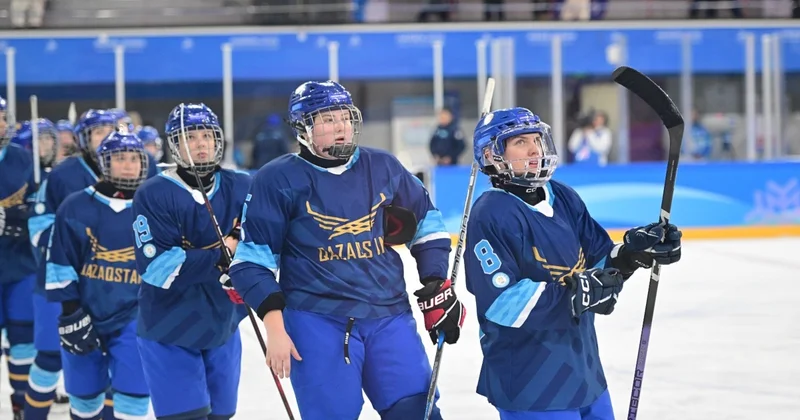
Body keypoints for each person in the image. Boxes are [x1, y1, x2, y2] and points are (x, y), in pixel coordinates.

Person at [228, 80, 466, 420]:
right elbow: (251, 262)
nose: (340, 126)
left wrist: (434, 283)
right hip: (316, 320)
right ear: (303, 128)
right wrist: (275, 328)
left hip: (389, 316)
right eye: (327, 119)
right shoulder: (277, 179)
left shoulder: (383, 166)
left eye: (345, 116)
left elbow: (426, 221)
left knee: (417, 410)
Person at [464, 107, 682, 420]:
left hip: (584, 372)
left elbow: (599, 259)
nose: (534, 149)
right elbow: (503, 303)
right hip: (530, 382)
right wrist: (575, 292)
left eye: (536, 140)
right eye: (520, 142)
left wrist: (634, 252)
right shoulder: (491, 213)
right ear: (491, 155)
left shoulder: (562, 196)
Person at [132, 103, 250, 419]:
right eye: (190, 137)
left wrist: (246, 267)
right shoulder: (153, 193)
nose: (200, 144)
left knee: (222, 414)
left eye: (207, 136)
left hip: (222, 323)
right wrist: (222, 254)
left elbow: (264, 242)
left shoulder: (242, 185)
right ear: (174, 144)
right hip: (169, 327)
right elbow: (159, 270)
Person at [25, 109, 132, 419]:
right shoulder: (63, 175)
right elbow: (40, 227)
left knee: (118, 372)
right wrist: (70, 251)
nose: (105, 137)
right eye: (97, 131)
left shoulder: (134, 168)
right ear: (85, 138)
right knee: (49, 357)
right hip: (62, 285)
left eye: (110, 130)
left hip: (116, 288)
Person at [46, 130, 151, 420]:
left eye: (134, 158)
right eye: (119, 158)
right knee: (84, 401)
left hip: (136, 317)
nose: (128, 165)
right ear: (104, 162)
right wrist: (70, 312)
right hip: (84, 315)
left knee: (134, 398)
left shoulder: (154, 205)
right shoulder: (75, 206)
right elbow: (60, 261)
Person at [0, 96, 37, 419]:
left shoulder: (25, 159)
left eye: (1, 117)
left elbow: (39, 207)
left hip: (20, 263)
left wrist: (20, 221)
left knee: (24, 337)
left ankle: (21, 401)